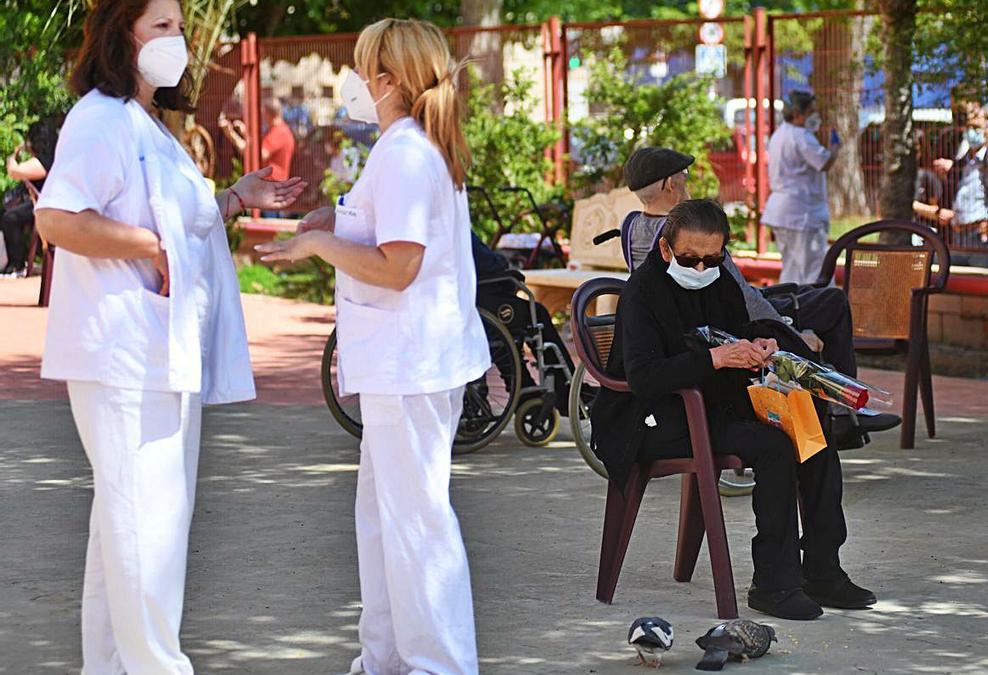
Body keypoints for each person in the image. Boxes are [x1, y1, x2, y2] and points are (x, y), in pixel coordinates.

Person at [32, 0, 305, 671]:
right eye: (161, 27)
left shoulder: (147, 124)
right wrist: (148, 245)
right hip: (123, 352)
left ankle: (114, 664)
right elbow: (58, 219)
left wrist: (235, 198)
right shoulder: (100, 119)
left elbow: (184, 220)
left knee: (123, 530)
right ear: (120, 36)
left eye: (180, 28)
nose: (176, 40)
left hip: (158, 352)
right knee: (142, 530)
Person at [255, 18, 488, 675]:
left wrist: (318, 244)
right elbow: (385, 230)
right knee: (385, 522)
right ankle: (384, 657)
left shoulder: (408, 151)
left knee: (414, 524)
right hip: (401, 365)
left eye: (362, 69)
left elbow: (398, 265)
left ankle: (439, 663)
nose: (353, 82)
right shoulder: (402, 146)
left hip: (409, 365)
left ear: (388, 80)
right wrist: (336, 220)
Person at [591, 199, 877, 621]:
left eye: (713, 258)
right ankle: (774, 584)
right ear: (666, 249)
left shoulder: (719, 280)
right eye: (691, 258)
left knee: (812, 431)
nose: (702, 268)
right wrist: (717, 360)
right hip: (653, 417)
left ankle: (822, 568)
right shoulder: (643, 292)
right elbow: (644, 377)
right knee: (774, 448)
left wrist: (761, 346)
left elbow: (737, 330)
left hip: (714, 404)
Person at [622, 146, 899, 448]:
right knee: (831, 302)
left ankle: (842, 410)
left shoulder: (633, 226)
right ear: (670, 184)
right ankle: (843, 408)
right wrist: (788, 331)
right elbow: (742, 295)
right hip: (721, 319)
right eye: (684, 176)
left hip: (694, 316)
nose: (687, 182)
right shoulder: (692, 233)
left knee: (809, 294)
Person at [471, 230, 577, 415]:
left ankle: (523, 390)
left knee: (507, 322)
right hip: (478, 300)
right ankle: (567, 390)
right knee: (534, 314)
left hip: (466, 299)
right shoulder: (451, 217)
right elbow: (488, 263)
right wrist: (502, 263)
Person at [760, 90, 840, 285]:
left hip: (782, 212)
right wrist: (835, 149)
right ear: (797, 114)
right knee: (815, 270)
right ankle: (819, 312)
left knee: (792, 270)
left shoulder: (779, 134)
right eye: (811, 111)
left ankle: (792, 311)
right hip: (802, 213)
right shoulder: (801, 136)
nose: (816, 116)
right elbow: (824, 163)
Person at [936, 110, 988, 268]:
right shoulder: (962, 161)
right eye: (968, 127)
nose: (970, 131)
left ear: (987, 132)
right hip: (958, 236)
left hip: (982, 238)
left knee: (985, 287)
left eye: (975, 127)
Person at [2, 116, 62, 276]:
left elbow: (14, 171)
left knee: (10, 218)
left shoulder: (46, 160)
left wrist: (13, 157)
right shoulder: (53, 156)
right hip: (42, 205)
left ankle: (17, 265)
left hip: (47, 207)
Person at [219, 96, 296, 182]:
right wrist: (245, 133)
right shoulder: (280, 130)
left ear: (268, 113)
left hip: (271, 184)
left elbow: (256, 154)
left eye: (263, 112)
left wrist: (231, 134)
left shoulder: (279, 133)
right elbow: (257, 146)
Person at [911, 129, 954, 231]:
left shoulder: (929, 176)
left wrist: (912, 205)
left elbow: (936, 212)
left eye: (916, 147)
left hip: (923, 231)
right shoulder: (900, 176)